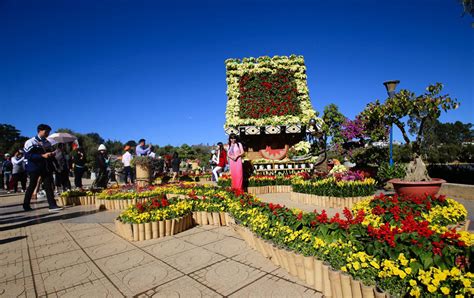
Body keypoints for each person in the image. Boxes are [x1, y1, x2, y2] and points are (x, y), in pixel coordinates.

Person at [23, 124, 63, 212]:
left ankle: (52, 205)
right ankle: (26, 205)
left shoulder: (47, 142)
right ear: (40, 131)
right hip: (34, 168)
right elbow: (28, 156)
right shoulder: (30, 142)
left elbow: (48, 154)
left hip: (45, 167)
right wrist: (42, 156)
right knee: (32, 186)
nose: (48, 133)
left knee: (49, 186)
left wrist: (52, 154)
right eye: (46, 131)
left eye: (49, 131)